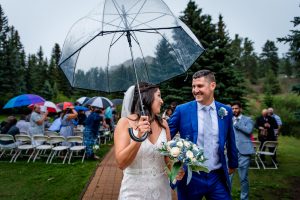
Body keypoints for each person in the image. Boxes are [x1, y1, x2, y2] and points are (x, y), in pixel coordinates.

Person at [168, 69, 238, 200]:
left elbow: (230, 139)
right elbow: (166, 138)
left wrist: (233, 163)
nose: (195, 90)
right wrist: (172, 163)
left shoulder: (225, 111)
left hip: (217, 176)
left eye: (200, 86)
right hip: (190, 177)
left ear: (212, 85)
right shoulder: (182, 110)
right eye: (193, 86)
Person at [115, 82, 177, 200]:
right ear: (147, 97)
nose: (162, 101)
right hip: (134, 191)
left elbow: (167, 158)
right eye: (159, 96)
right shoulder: (124, 123)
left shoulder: (163, 124)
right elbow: (121, 163)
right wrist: (138, 137)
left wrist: (176, 169)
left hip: (161, 190)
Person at [230, 102, 254, 200]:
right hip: (231, 152)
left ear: (241, 109)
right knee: (228, 177)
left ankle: (244, 198)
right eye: (232, 108)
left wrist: (237, 124)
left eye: (236, 108)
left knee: (243, 178)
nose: (234, 110)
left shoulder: (248, 120)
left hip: (244, 152)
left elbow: (249, 131)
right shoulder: (229, 120)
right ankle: (226, 196)